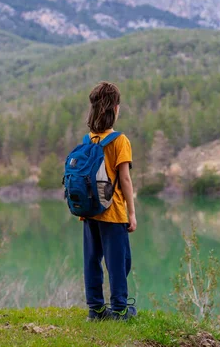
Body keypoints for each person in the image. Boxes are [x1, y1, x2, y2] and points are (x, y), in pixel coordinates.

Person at [82, 81, 137, 321]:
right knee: (119, 262)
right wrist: (131, 213)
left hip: (90, 211)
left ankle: (95, 310)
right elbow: (124, 179)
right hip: (112, 213)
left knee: (92, 261)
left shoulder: (89, 139)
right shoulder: (119, 140)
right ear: (115, 108)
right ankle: (120, 310)